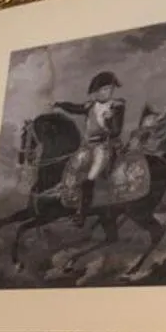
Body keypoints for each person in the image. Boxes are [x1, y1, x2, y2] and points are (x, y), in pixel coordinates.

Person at [53, 71, 127, 223]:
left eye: (110, 89)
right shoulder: (90, 106)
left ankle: (82, 213)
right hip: (88, 146)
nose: (108, 92)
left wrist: (109, 120)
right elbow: (74, 108)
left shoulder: (116, 106)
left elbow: (116, 131)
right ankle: (69, 200)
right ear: (96, 92)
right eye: (105, 89)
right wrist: (59, 104)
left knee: (91, 176)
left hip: (105, 146)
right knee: (72, 169)